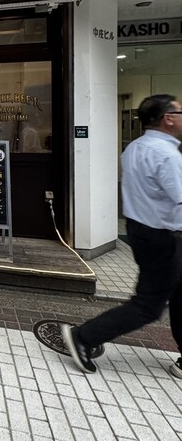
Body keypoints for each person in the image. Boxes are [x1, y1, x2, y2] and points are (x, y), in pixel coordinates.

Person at [61, 94, 182, 376]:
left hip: (140, 230)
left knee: (178, 293)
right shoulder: (167, 155)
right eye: (180, 112)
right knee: (149, 304)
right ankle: (84, 336)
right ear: (167, 118)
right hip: (164, 236)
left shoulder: (133, 149)